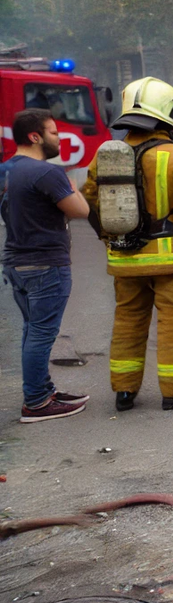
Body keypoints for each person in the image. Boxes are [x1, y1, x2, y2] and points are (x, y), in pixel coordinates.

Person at [82, 78, 173, 413]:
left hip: (125, 259)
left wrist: (111, 238)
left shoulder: (106, 157)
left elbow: (91, 201)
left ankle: (124, 390)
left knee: (128, 320)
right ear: (168, 115)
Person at [3, 108, 90, 421]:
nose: (59, 138)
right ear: (35, 136)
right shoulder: (47, 172)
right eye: (53, 133)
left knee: (32, 330)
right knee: (41, 334)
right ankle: (37, 402)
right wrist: (71, 184)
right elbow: (80, 210)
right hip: (45, 264)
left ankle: (43, 390)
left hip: (16, 263)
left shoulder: (7, 170)